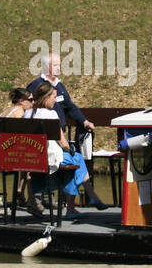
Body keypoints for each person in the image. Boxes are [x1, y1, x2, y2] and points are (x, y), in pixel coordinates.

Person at [27, 53, 107, 209]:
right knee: (75, 158)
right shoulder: (36, 86)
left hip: (40, 147)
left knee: (73, 160)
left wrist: (84, 121)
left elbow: (70, 107)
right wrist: (68, 148)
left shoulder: (60, 86)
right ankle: (82, 199)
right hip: (46, 146)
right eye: (56, 65)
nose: (59, 67)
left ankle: (71, 205)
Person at [27, 84, 94, 215]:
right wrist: (70, 150)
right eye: (54, 97)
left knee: (74, 162)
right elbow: (62, 142)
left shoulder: (28, 113)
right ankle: (74, 205)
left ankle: (87, 198)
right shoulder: (51, 114)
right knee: (77, 159)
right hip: (49, 158)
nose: (56, 100)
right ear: (46, 98)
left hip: (31, 159)